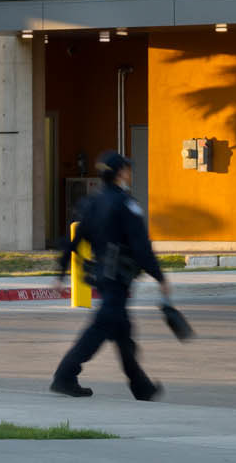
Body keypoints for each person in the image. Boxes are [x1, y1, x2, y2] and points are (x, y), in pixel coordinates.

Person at [50, 151, 169, 400]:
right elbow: (141, 246)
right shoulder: (126, 204)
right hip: (117, 278)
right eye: (127, 169)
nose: (129, 173)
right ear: (119, 173)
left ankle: (141, 387)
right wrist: (160, 277)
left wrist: (60, 272)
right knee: (100, 329)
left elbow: (74, 240)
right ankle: (65, 375)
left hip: (102, 276)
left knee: (123, 331)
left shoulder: (92, 202)